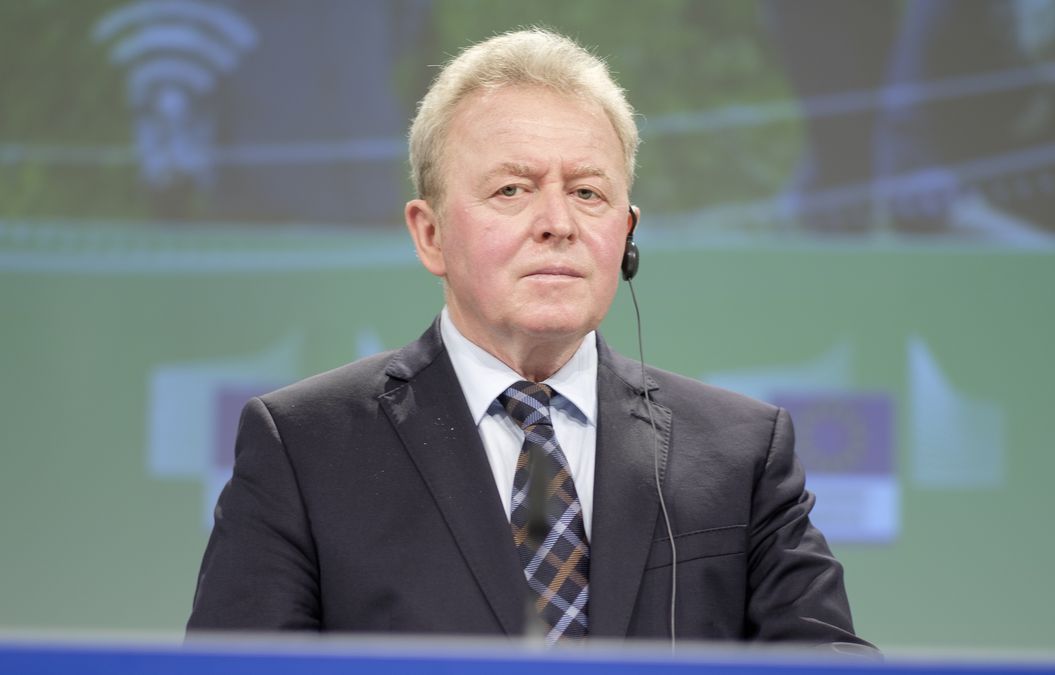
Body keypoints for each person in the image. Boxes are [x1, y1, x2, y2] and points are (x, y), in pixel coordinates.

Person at [187, 28, 873, 650]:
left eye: (587, 193)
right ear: (430, 234)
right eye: (513, 190)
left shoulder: (742, 455)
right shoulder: (303, 449)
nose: (557, 223)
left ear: (627, 233)